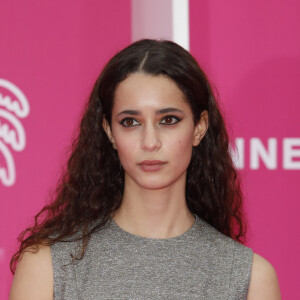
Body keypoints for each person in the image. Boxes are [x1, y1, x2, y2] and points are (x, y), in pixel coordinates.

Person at [9, 39, 281, 299]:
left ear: (199, 127)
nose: (150, 142)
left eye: (169, 120)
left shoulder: (248, 278)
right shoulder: (48, 267)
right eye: (130, 122)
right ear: (109, 131)